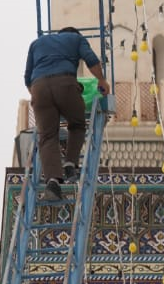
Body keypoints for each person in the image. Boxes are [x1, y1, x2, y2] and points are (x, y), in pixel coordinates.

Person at [24, 26, 109, 202]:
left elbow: (27, 78)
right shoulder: (76, 39)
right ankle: (70, 163)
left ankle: (53, 181)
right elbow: (91, 60)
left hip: (38, 88)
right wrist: (101, 80)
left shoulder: (36, 43)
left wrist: (39, 98)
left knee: (47, 136)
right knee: (77, 124)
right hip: (66, 84)